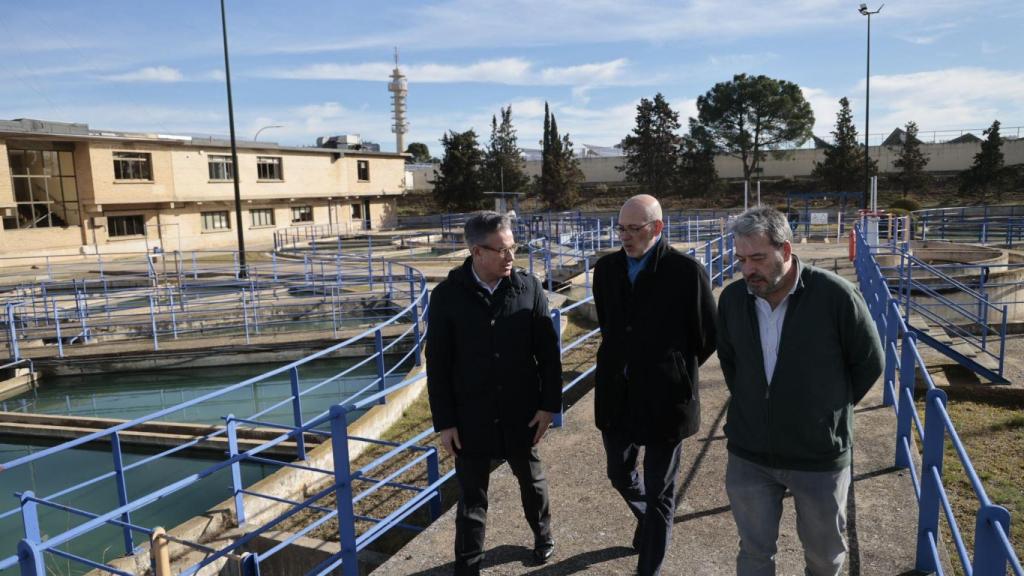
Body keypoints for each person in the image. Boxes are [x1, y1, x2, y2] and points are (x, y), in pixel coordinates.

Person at [716, 206, 884, 576]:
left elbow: (870, 362)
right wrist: (757, 404)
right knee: (754, 554)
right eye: (741, 259)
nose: (747, 270)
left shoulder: (836, 296)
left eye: (758, 258)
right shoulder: (732, 300)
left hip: (818, 456)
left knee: (824, 557)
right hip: (749, 454)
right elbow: (732, 364)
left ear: (786, 250)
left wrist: (824, 410)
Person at [426, 211, 563, 575]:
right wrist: (446, 422)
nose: (511, 256)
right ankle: (468, 564)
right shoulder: (446, 297)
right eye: (502, 250)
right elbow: (437, 365)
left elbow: (548, 354)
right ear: (476, 252)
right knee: (471, 498)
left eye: (513, 247)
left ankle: (543, 536)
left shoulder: (528, 288)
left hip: (522, 412)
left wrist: (549, 406)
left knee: (532, 483)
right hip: (472, 416)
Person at [592, 194, 718, 575]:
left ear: (657, 228)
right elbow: (609, 327)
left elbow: (706, 337)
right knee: (619, 473)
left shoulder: (685, 272)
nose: (626, 237)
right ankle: (647, 520)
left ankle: (649, 567)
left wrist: (673, 369)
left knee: (661, 491)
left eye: (635, 229)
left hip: (666, 399)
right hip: (617, 394)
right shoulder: (607, 270)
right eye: (621, 228)